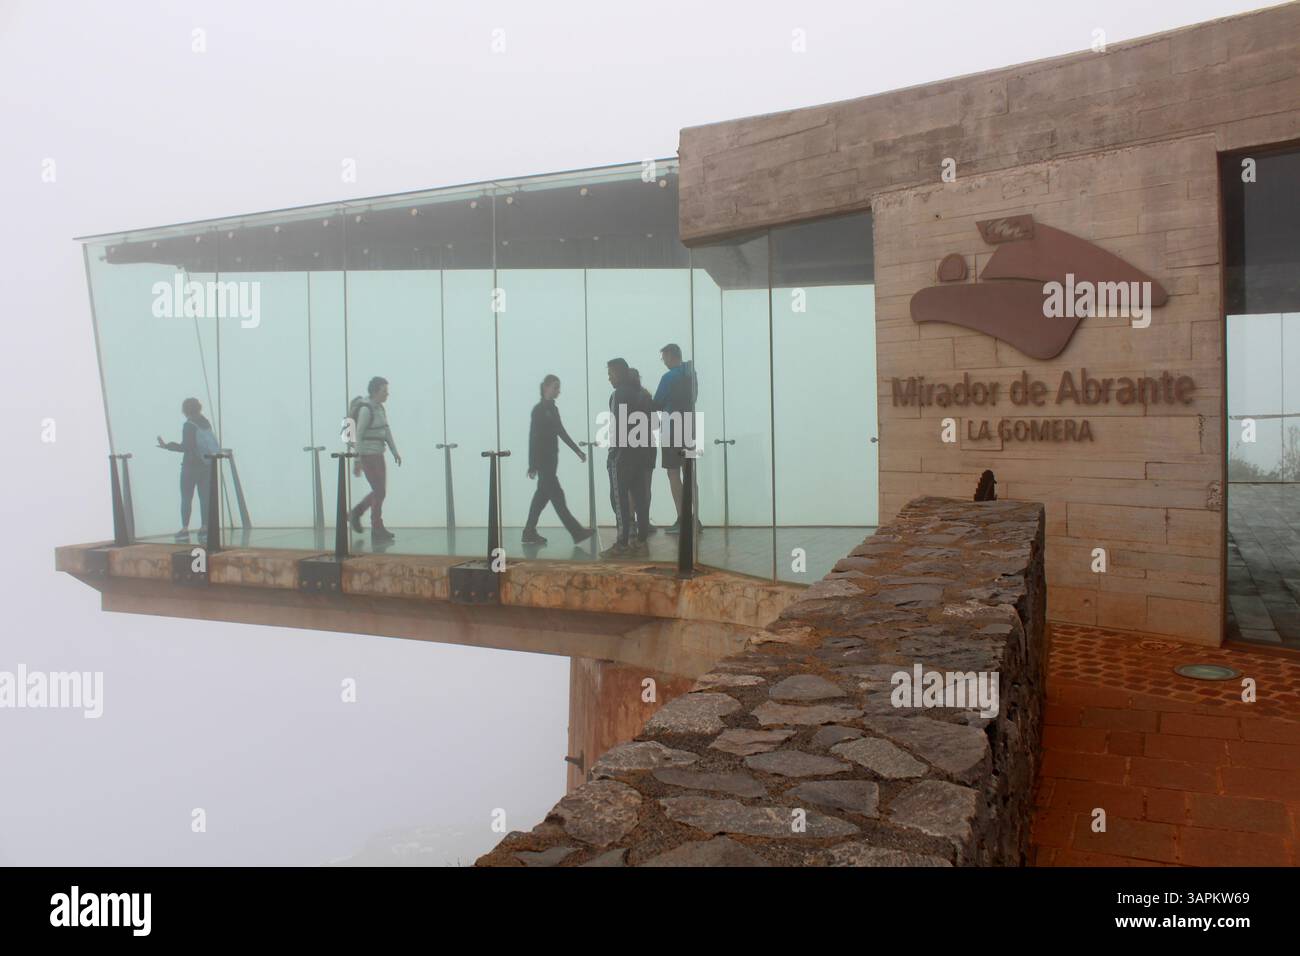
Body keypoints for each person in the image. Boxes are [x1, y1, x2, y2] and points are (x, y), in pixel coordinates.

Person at [523, 375, 594, 545]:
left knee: (541, 498)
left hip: (551, 461)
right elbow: (533, 438)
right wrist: (532, 465)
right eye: (555, 387)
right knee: (557, 497)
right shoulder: (538, 410)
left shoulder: (553, 409)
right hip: (543, 462)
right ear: (546, 387)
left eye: (558, 387)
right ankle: (576, 532)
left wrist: (577, 450)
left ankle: (528, 531)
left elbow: (561, 431)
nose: (558, 391)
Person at [652, 343, 699, 535]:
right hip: (690, 427)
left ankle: (682, 519)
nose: (663, 362)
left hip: (671, 430)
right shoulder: (692, 375)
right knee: (689, 474)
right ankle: (696, 519)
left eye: (664, 358)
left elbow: (656, 403)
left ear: (671, 355)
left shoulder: (668, 377)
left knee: (673, 474)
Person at [156, 397, 218, 541]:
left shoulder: (189, 425)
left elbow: (186, 447)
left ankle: (184, 529)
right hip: (206, 465)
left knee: (186, 498)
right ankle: (204, 527)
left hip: (190, 467)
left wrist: (168, 446)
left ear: (185, 410)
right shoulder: (205, 422)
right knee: (204, 498)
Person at [348, 376, 401, 542]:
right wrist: (357, 461)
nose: (387, 394)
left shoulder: (380, 408)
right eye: (384, 391)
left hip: (379, 454)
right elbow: (359, 435)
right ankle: (369, 521)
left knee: (380, 492)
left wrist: (394, 451)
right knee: (379, 491)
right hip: (367, 455)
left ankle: (365, 518)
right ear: (376, 391)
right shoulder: (366, 409)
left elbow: (386, 431)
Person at [602, 358, 640, 558]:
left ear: (619, 373)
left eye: (611, 374)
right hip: (637, 454)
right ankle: (633, 538)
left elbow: (618, 425)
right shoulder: (638, 394)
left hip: (621, 456)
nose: (609, 378)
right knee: (632, 497)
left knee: (618, 499)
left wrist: (613, 454)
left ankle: (622, 543)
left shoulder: (618, 395)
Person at [627, 367, 656, 549]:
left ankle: (632, 523)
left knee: (632, 487)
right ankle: (642, 522)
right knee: (645, 486)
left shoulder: (623, 397)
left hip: (632, 449)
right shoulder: (647, 397)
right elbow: (656, 423)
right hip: (647, 448)